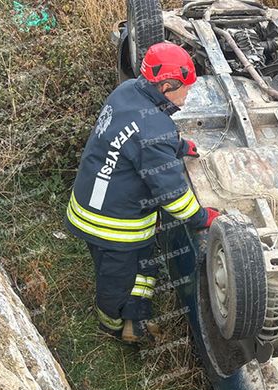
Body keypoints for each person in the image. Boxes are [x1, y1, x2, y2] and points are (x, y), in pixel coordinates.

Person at [65, 42, 219, 344]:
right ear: (165, 86)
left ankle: (136, 314)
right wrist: (201, 218)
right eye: (184, 90)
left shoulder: (127, 92)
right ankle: (111, 323)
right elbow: (173, 195)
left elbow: (131, 138)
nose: (187, 97)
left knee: (145, 262)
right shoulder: (154, 126)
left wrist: (175, 146)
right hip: (111, 224)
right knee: (116, 279)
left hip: (96, 196)